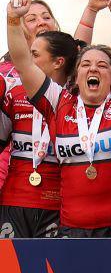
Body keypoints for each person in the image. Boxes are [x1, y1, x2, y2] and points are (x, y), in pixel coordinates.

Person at [8, 0, 111, 237]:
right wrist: (13, 21)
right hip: (75, 228)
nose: (93, 68)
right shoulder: (59, 103)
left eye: (102, 65)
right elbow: (24, 63)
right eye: (86, 64)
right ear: (76, 77)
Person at [0, 31, 79, 238]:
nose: (29, 59)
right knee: (11, 269)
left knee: (51, 270)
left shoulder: (77, 101)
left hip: (58, 205)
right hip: (14, 201)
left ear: (58, 62)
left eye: (34, 54)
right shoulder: (14, 94)